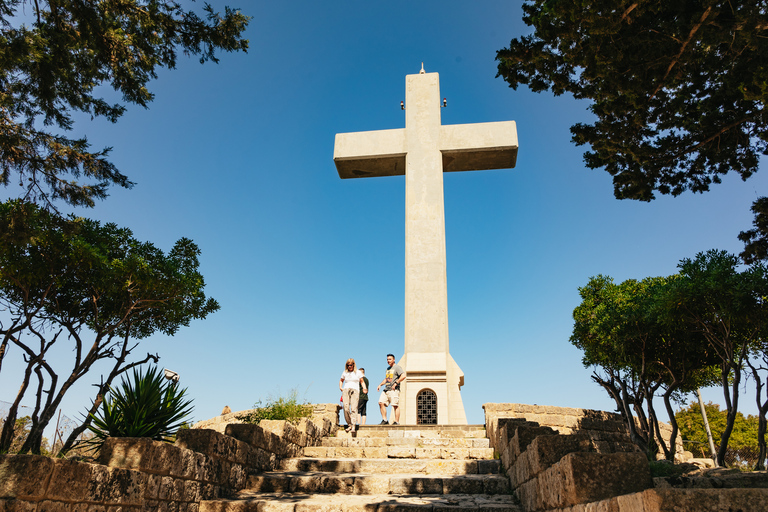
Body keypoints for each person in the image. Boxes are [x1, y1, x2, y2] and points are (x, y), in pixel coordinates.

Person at [376, 353, 406, 425]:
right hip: (386, 389)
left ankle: (396, 421)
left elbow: (403, 375)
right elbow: (387, 379)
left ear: (394, 359)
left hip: (394, 390)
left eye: (390, 359)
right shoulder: (388, 369)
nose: (388, 361)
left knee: (395, 405)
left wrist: (396, 383)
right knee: (381, 402)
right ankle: (385, 420)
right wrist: (380, 384)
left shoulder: (397, 367)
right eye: (387, 359)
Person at [339, 358, 367, 432]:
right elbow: (341, 380)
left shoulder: (358, 372)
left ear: (353, 365)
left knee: (354, 408)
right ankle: (349, 424)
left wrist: (364, 388)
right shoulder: (345, 372)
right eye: (348, 365)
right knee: (346, 407)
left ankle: (353, 425)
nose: (349, 366)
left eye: (351, 365)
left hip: (355, 390)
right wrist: (340, 387)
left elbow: (362, 381)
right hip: (346, 390)